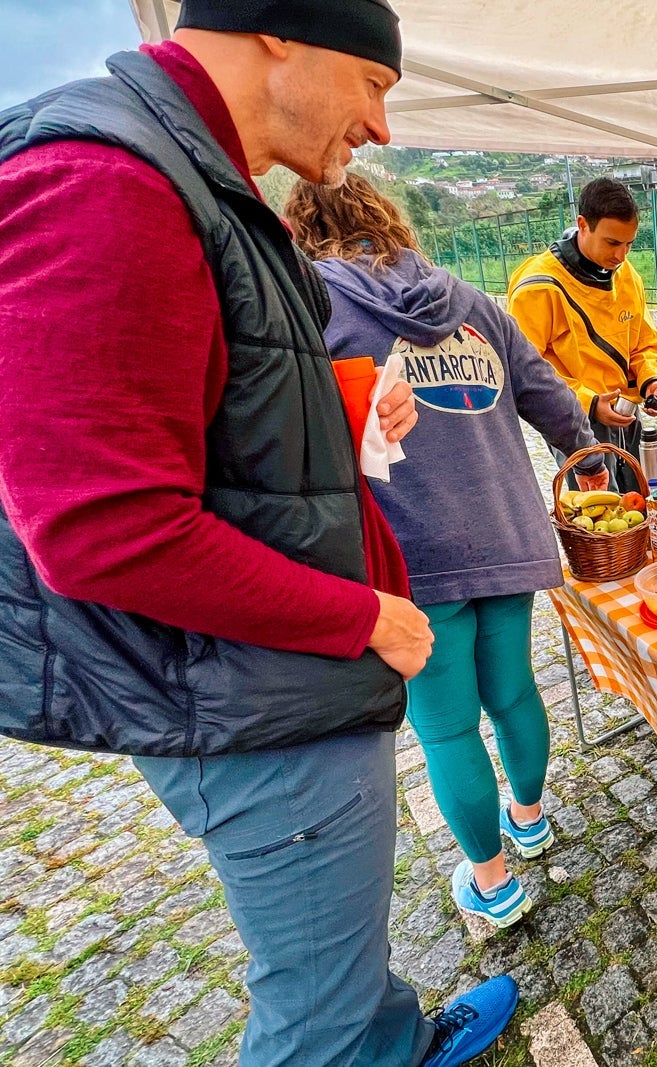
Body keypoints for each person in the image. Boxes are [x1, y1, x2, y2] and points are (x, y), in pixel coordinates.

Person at [0, 4, 516, 1065]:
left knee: (344, 948)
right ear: (282, 31)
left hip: (271, 678)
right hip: (243, 695)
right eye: (373, 81)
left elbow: (201, 409)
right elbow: (104, 526)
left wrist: (338, 394)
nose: (378, 125)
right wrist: (360, 611)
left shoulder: (194, 178)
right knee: (311, 1013)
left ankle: (397, 1038)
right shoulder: (109, 182)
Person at [287, 174, 608, 929]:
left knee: (449, 727)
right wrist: (589, 457)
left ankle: (492, 884)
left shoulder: (314, 304)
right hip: (506, 532)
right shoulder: (469, 298)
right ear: (389, 222)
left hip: (414, 555)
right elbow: (548, 394)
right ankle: (528, 819)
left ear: (305, 232)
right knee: (516, 693)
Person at [508, 177, 657, 495]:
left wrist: (652, 379)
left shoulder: (626, 275)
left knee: (638, 502)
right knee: (600, 519)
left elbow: (643, 342)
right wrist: (590, 403)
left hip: (624, 413)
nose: (621, 255)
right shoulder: (539, 286)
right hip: (575, 421)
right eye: (612, 243)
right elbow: (525, 375)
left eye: (629, 244)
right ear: (583, 225)